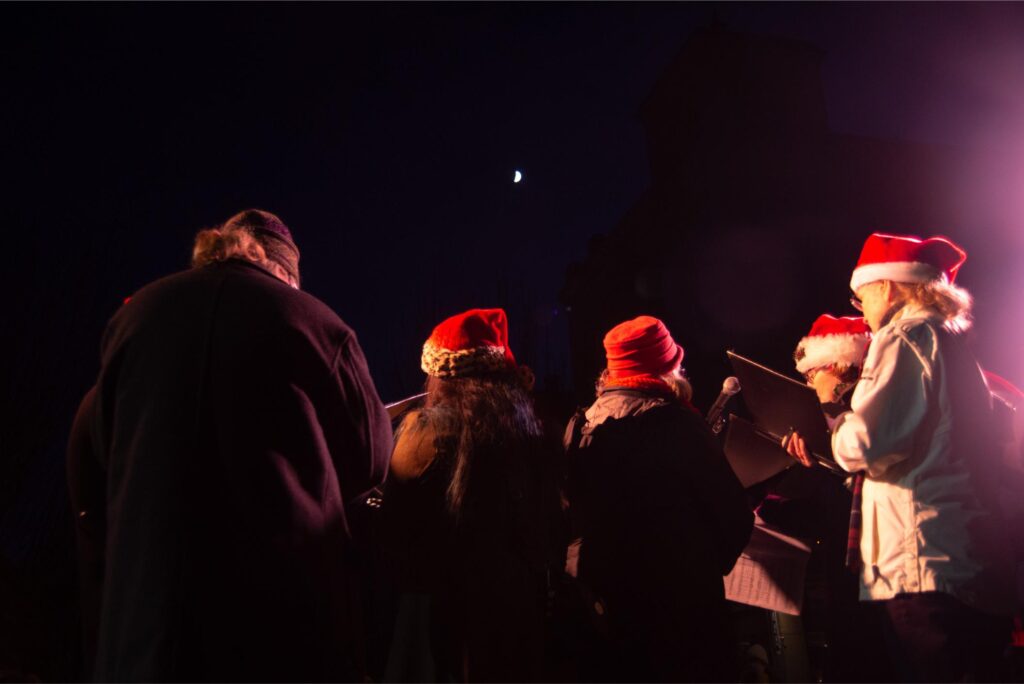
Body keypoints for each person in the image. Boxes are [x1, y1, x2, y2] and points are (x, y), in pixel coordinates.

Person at [67, 209, 392, 681]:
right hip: (282, 633)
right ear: (285, 273)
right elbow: (372, 460)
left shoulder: (134, 319)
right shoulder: (316, 324)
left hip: (147, 631)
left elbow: (96, 452)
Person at [786, 233, 1014, 682]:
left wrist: (833, 408)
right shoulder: (943, 340)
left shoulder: (904, 335)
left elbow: (867, 444)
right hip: (959, 564)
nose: (861, 309)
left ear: (887, 287)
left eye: (862, 296)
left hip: (924, 567)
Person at [377, 308, 563, 682]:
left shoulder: (425, 433)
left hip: (445, 616)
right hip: (516, 612)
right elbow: (551, 528)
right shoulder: (536, 433)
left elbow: (396, 528)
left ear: (440, 377)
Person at [563, 315, 753, 682]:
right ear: (667, 370)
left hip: (602, 607)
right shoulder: (677, 424)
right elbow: (732, 516)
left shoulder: (581, 425)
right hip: (678, 610)